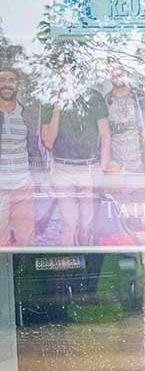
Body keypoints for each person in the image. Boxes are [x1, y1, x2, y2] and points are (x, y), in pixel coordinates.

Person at [41, 67, 112, 247]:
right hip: (62, 169)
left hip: (89, 168)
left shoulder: (93, 97)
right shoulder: (49, 100)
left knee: (87, 225)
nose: (67, 77)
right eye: (62, 73)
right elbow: (48, 141)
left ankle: (86, 264)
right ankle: (70, 265)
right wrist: (57, 110)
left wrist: (102, 168)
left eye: (71, 72)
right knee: (69, 223)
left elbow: (105, 134)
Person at [0, 69, 41, 246]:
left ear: (18, 86)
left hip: (23, 187)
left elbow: (34, 148)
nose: (7, 84)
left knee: (27, 242)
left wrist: (36, 179)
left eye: (11, 80)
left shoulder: (27, 114)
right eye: (2, 80)